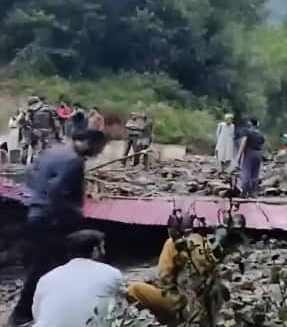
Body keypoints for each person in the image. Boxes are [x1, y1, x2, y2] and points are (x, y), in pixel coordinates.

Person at [9, 129, 108, 326]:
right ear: (88, 142)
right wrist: (75, 214)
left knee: (43, 266)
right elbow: (58, 191)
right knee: (48, 267)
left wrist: (38, 198)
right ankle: (24, 314)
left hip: (37, 214)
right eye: (99, 148)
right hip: (54, 220)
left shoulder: (52, 151)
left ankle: (30, 312)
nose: (98, 153)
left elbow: (30, 173)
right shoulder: (74, 161)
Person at [127, 213, 229, 326]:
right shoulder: (204, 242)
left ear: (174, 231)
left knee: (134, 289)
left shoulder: (172, 243)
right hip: (206, 297)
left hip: (182, 301)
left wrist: (152, 282)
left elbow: (164, 278)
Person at [32, 230, 123, 327]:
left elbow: (37, 314)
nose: (104, 252)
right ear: (95, 250)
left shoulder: (47, 278)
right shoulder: (112, 273)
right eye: (103, 247)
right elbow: (120, 311)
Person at [238, 118, 265, 195]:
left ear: (251, 124)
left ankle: (245, 191)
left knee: (246, 172)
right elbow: (262, 144)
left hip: (249, 153)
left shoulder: (247, 133)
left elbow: (243, 144)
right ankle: (253, 192)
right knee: (255, 173)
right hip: (258, 153)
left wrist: (239, 157)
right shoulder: (260, 134)